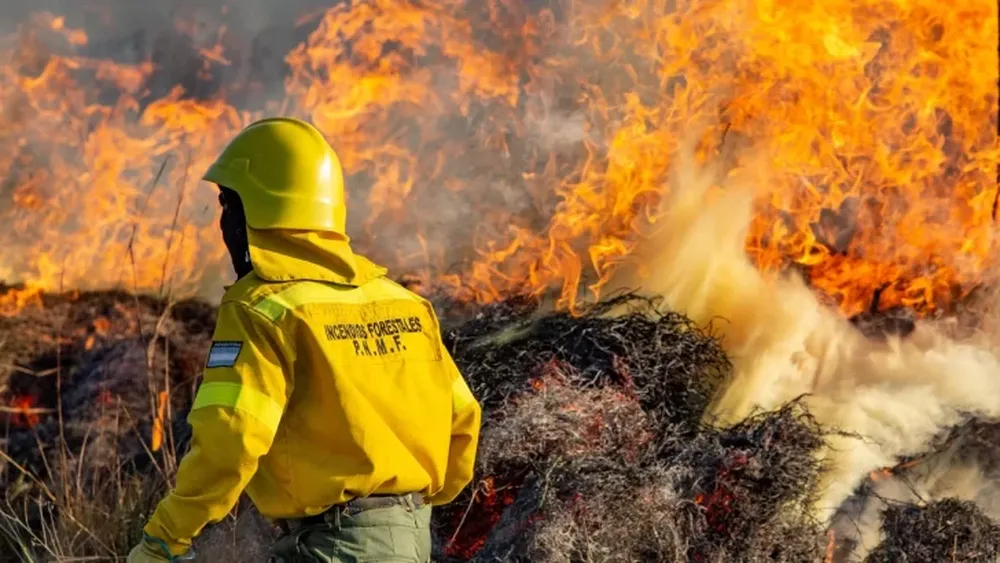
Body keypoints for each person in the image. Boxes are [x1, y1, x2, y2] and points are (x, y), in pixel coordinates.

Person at [127, 117, 482, 563]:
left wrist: (164, 538)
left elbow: (231, 440)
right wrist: (400, 512)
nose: (222, 224)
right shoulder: (405, 304)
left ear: (255, 210)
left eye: (226, 205)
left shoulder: (260, 308)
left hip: (331, 548)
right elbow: (464, 420)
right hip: (413, 541)